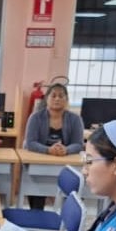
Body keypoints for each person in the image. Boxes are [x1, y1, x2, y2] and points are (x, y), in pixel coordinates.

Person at [23, 81, 85, 209]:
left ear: (66, 100)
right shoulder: (35, 117)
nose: (57, 99)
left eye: (61, 96)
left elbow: (78, 144)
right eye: (53, 95)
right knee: (37, 196)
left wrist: (66, 150)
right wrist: (48, 150)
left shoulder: (75, 119)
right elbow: (30, 143)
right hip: (40, 164)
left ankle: (68, 215)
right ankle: (37, 213)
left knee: (74, 191)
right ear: (47, 99)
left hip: (66, 164)